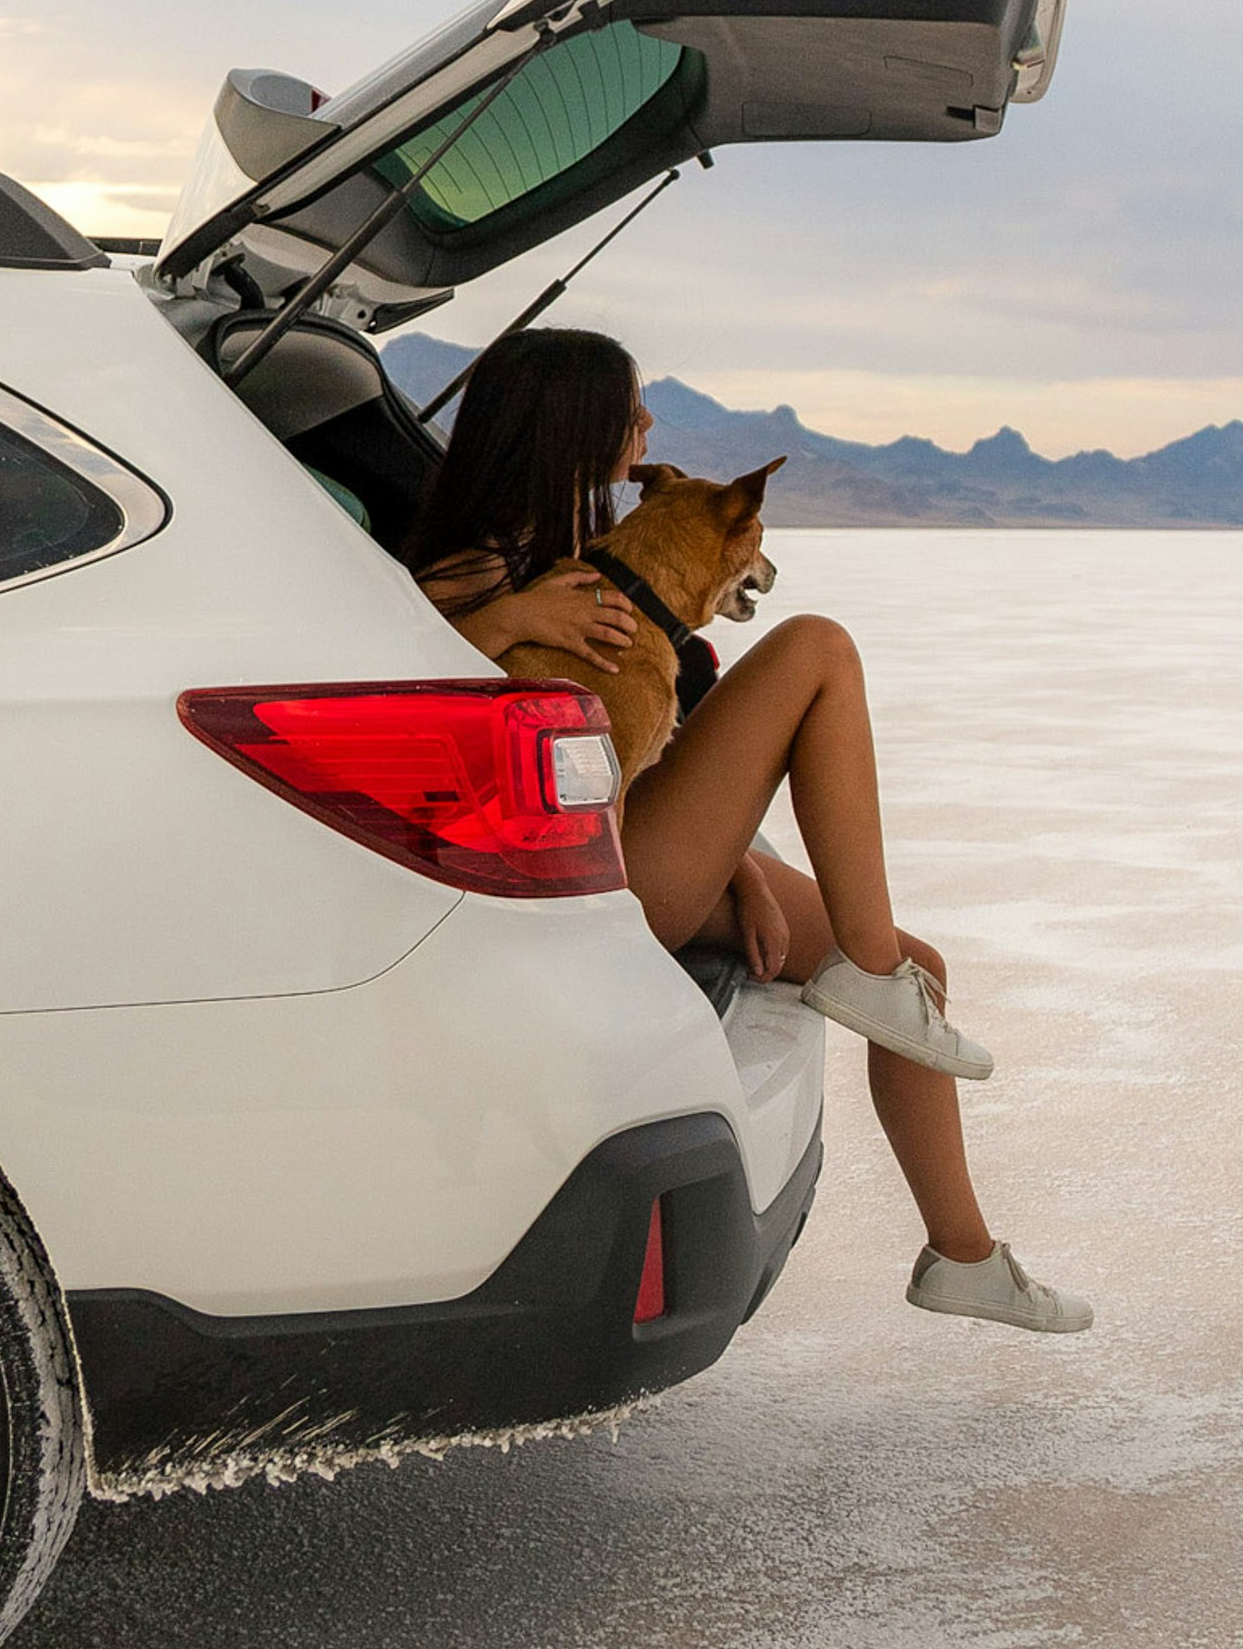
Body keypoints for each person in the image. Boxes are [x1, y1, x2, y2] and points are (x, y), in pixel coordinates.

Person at [409, 326, 1092, 1334]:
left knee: (921, 967)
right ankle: (865, 971)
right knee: (815, 647)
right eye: (630, 411)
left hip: (635, 851)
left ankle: (962, 1254)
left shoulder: (572, 553)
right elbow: (401, 697)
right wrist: (502, 623)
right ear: (575, 423)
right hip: (598, 887)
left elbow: (621, 765)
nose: (645, 429)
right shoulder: (481, 564)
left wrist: (733, 867)